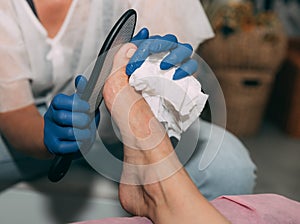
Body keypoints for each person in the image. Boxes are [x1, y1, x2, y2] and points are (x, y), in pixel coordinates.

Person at [0, 0, 256, 200]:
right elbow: (14, 115)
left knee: (229, 167)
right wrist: (49, 136)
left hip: (120, 126)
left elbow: (171, 68)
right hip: (35, 128)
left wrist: (160, 79)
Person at [74, 43, 300, 224]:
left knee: (229, 165)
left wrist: (160, 66)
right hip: (57, 138)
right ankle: (159, 179)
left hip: (112, 140)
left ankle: (156, 173)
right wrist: (42, 138)